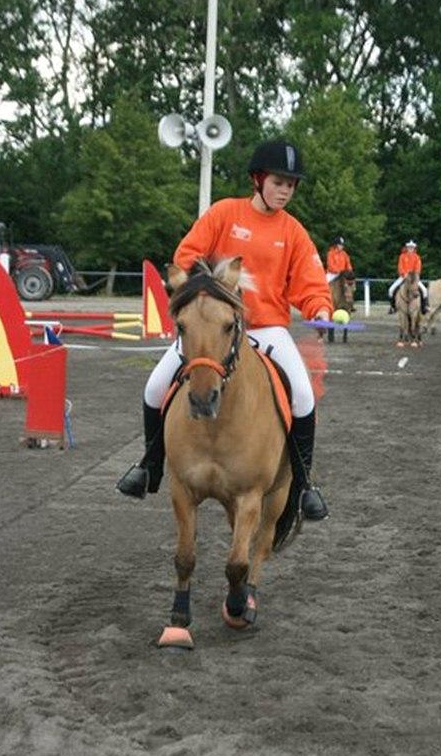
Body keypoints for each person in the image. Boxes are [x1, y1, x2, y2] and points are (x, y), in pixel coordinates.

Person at [116, 138, 332, 521]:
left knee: (302, 396)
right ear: (258, 179)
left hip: (266, 328)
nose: (285, 190)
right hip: (212, 328)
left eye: (291, 184)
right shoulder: (223, 214)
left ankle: (303, 487)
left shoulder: (294, 231)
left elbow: (309, 283)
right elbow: (186, 258)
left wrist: (320, 307)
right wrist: (209, 294)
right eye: (279, 182)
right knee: (154, 386)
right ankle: (149, 466)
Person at [388, 240, 428, 314]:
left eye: (412, 247)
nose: (410, 249)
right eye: (409, 247)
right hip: (404, 277)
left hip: (414, 278)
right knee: (391, 290)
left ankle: (423, 308)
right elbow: (400, 266)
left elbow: (418, 268)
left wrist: (416, 275)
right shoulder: (402, 256)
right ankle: (393, 307)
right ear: (407, 248)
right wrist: (404, 274)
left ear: (414, 248)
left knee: (424, 291)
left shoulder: (417, 257)